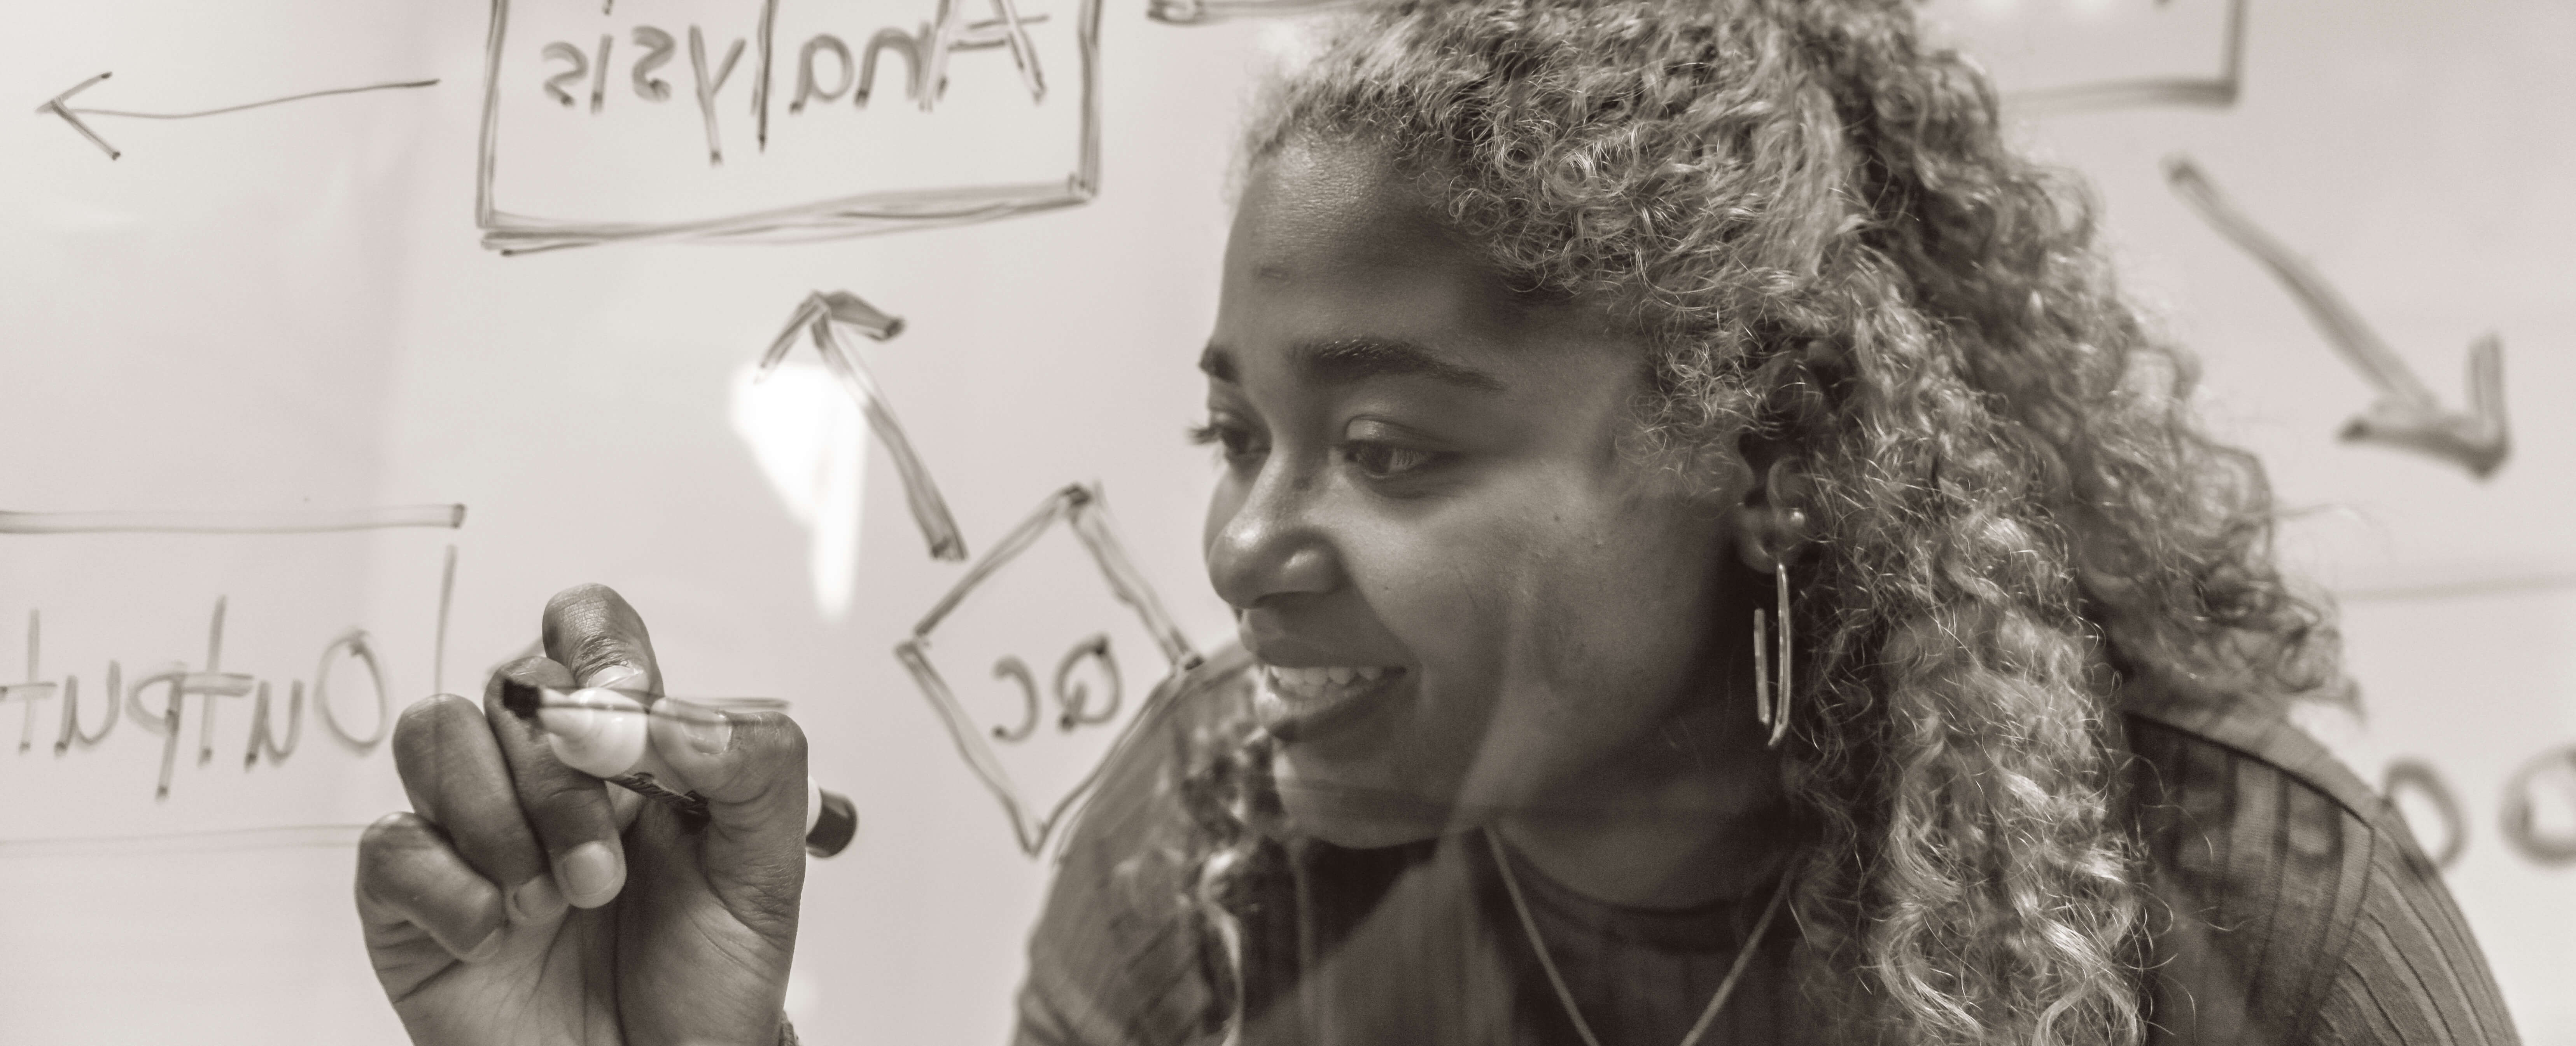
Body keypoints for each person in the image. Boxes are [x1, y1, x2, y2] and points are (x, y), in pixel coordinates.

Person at [352, 0, 2520, 1043]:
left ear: (1763, 449)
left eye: (1392, 450)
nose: (1250, 544)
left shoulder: (2240, 905)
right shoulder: (1209, 854)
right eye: (1240, 438)